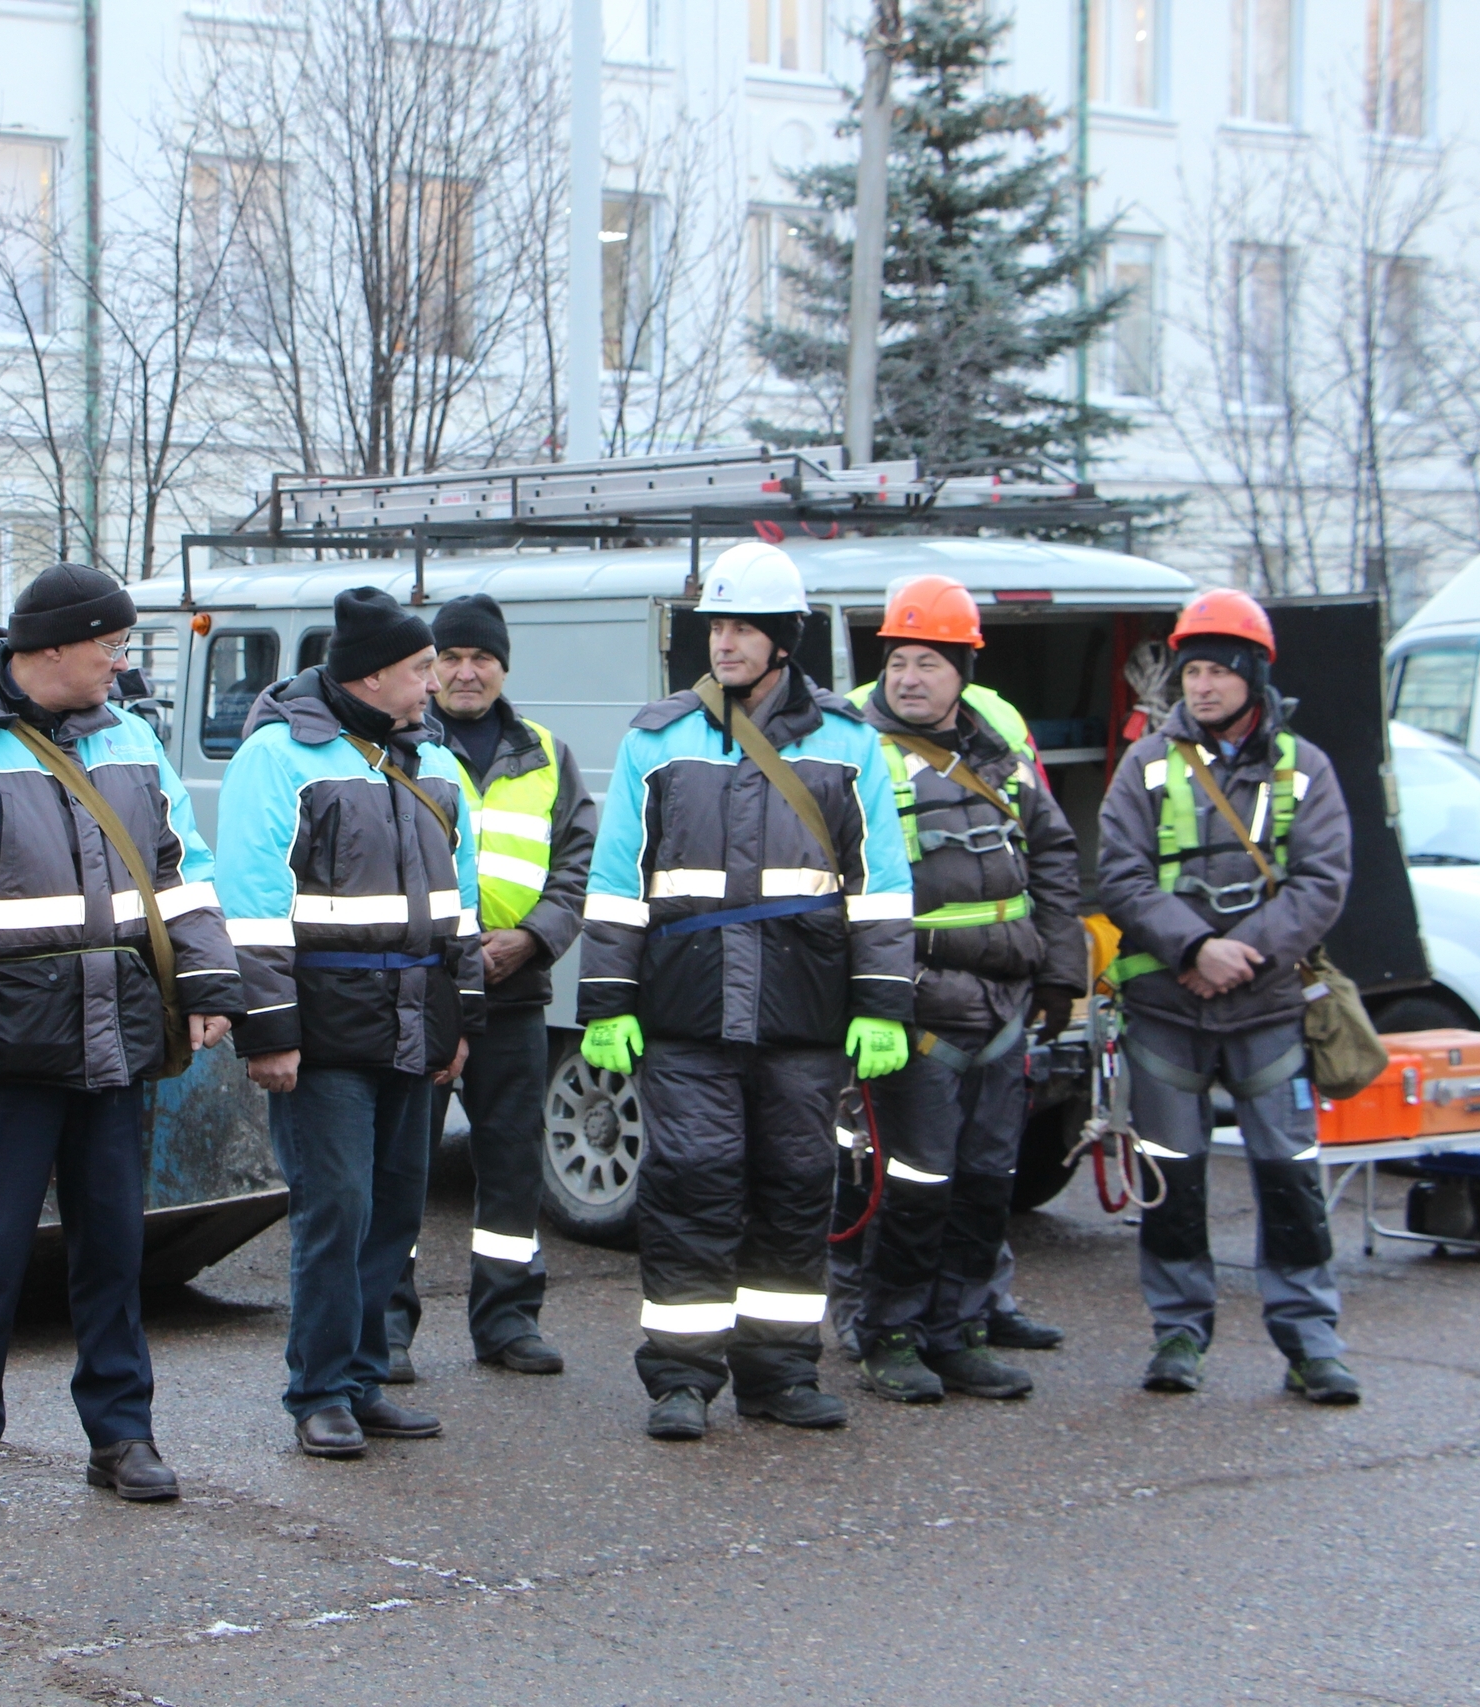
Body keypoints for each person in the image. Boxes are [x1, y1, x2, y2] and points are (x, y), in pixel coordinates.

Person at [0, 563, 244, 1513]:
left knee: (114, 1246)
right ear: (51, 649)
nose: (121, 665)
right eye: (110, 647)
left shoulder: (130, 738)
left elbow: (182, 872)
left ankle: (122, 1435)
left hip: (112, 1030)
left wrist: (207, 982)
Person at [577, 541, 915, 1441]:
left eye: (742, 628)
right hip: (685, 1009)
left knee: (798, 1183)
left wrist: (884, 1004)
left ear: (782, 639)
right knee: (692, 1180)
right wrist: (606, 1004)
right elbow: (616, 879)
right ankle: (682, 1379)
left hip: (803, 1011)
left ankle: (778, 1374)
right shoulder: (656, 739)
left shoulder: (849, 744)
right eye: (715, 626)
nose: (723, 643)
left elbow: (879, 884)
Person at [216, 587, 487, 1458]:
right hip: (326, 1032)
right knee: (337, 1207)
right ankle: (320, 1390)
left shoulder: (433, 759)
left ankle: (364, 1379)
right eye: (421, 667)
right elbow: (253, 907)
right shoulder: (278, 755)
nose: (437, 679)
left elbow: (463, 904)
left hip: (415, 1025)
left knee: (393, 1212)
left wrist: (462, 1018)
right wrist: (269, 1030)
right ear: (372, 674)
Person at [1096, 588, 1360, 1404]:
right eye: (1192, 671)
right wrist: (1193, 946)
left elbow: (1324, 880)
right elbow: (1120, 873)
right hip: (1169, 1009)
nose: (1201, 686)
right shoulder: (1143, 765)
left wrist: (1243, 956)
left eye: (1217, 671)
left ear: (1252, 675)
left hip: (1270, 1007)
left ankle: (1312, 1342)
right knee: (1174, 1176)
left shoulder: (1304, 768)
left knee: (1290, 1178)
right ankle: (1178, 1333)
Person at [834, 575, 1086, 1404]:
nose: (910, 677)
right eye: (899, 660)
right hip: (916, 1014)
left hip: (1003, 1015)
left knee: (985, 1182)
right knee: (915, 1183)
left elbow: (1053, 856)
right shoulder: (851, 753)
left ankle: (962, 1331)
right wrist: (879, 990)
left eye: (929, 663)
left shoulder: (998, 758)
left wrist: (1058, 969)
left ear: (963, 671)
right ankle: (891, 1334)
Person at [382, 594, 598, 1381]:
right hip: (422, 989)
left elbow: (578, 863)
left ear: (503, 666)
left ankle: (508, 1321)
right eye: (450, 657)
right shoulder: (399, 744)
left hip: (514, 991)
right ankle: (385, 1328)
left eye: (481, 657)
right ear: (429, 667)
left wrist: (537, 936)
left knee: (510, 1162)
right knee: (402, 1166)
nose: (466, 671)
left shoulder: (546, 751)